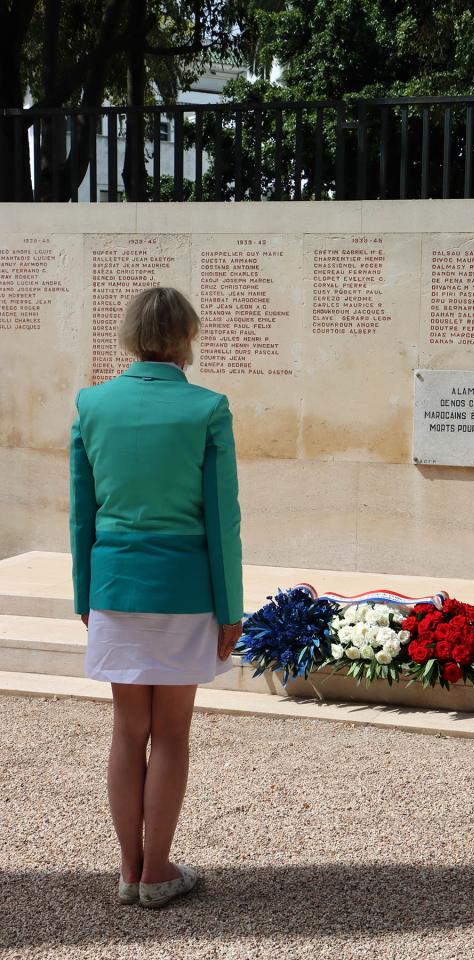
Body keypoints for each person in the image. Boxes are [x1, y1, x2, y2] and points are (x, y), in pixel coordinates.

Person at [68, 286, 244, 909]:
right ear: (186, 336)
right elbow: (223, 521)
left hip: (116, 582)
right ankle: (158, 871)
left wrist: (84, 595)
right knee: (170, 732)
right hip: (184, 588)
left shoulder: (92, 404)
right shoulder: (206, 408)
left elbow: (81, 513)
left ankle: (128, 867)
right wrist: (231, 610)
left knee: (126, 730)